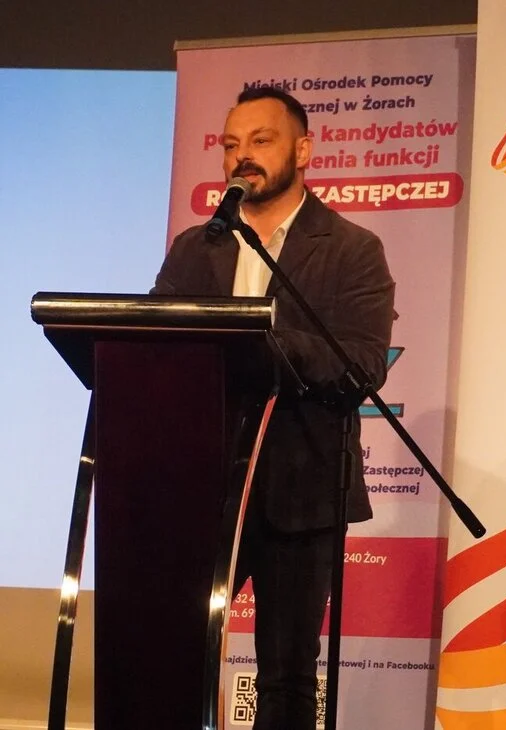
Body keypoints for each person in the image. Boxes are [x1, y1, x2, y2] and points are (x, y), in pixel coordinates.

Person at [152, 86, 395, 729]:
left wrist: (259, 339)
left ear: (303, 151)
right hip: (203, 486)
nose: (243, 156)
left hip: (302, 488)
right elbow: (156, 346)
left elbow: (361, 365)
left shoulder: (351, 249)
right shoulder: (196, 247)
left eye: (261, 141)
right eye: (232, 144)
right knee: (169, 653)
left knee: (287, 674)